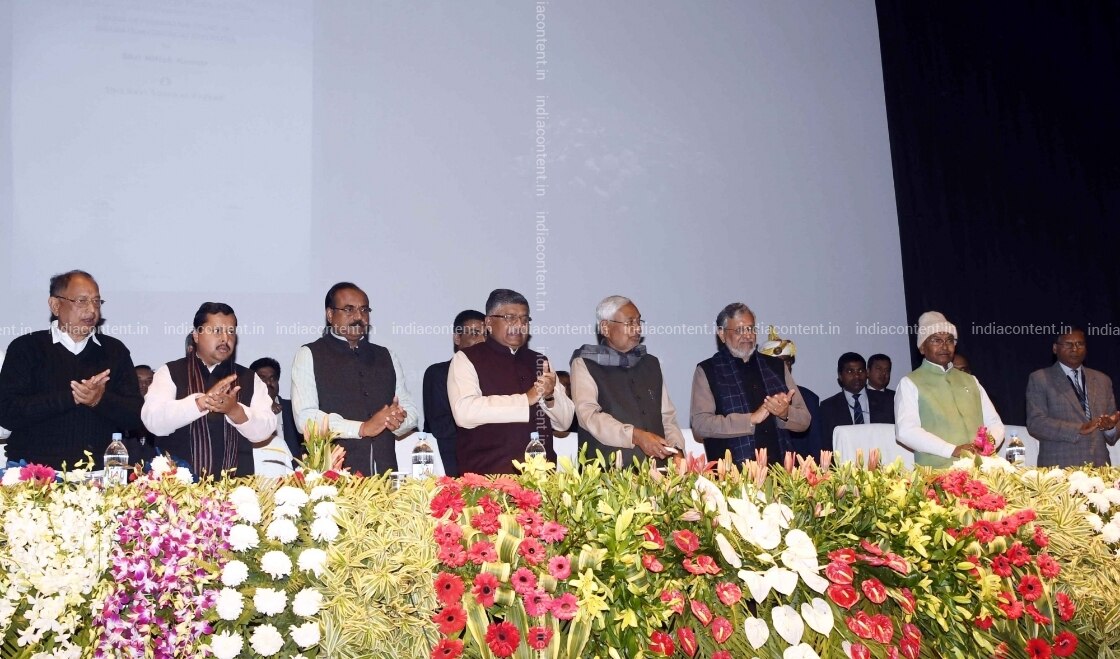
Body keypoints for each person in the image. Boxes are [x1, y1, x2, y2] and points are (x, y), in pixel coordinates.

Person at [0, 270, 143, 468]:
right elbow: (8, 413)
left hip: (99, 475)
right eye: (82, 301)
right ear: (55, 305)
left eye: (96, 302)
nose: (92, 310)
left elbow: (135, 416)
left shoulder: (114, 351)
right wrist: (71, 397)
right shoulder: (26, 348)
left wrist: (99, 400)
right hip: (35, 476)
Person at [291, 282, 417, 475]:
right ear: (330, 315)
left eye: (364, 310)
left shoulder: (386, 356)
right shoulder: (309, 354)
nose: (359, 317)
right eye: (349, 310)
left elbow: (411, 411)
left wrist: (399, 420)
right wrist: (362, 428)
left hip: (385, 474)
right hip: (332, 478)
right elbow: (306, 419)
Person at [142, 303, 275, 478]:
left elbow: (265, 430)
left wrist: (235, 410)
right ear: (196, 336)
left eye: (231, 332)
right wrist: (200, 403)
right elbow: (153, 421)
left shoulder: (249, 378)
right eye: (217, 331)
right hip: (178, 488)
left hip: (236, 489)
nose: (225, 338)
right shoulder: (170, 372)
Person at [448, 288, 574, 474]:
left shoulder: (540, 361)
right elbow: (464, 412)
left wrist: (549, 397)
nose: (519, 325)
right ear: (489, 323)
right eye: (510, 318)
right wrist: (526, 399)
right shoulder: (467, 358)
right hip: (488, 477)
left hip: (542, 479)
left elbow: (565, 423)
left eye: (524, 319)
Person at [569, 295, 685, 468]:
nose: (637, 328)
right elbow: (589, 416)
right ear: (605, 328)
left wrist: (677, 449)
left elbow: (667, 417)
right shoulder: (585, 363)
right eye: (630, 323)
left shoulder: (650, 363)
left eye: (639, 322)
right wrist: (635, 436)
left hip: (659, 471)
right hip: (609, 474)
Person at [690, 303, 810, 465]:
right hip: (733, 473)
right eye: (739, 330)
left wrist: (785, 413)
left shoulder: (775, 366)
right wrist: (750, 420)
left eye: (751, 329)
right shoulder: (707, 370)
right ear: (722, 334)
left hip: (780, 470)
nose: (747, 335)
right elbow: (700, 426)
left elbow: (804, 420)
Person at [895, 311, 1004, 467]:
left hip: (980, 469)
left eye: (949, 340)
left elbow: (994, 423)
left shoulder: (971, 380)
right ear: (922, 348)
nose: (944, 346)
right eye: (936, 340)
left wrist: (986, 445)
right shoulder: (910, 383)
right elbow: (906, 431)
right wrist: (952, 450)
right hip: (937, 473)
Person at [1026, 328, 1118, 467]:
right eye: (1068, 344)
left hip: (1099, 467)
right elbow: (1036, 423)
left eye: (1080, 344)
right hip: (1060, 467)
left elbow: (1112, 427)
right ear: (1055, 348)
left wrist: (1110, 427)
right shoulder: (1040, 378)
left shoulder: (1103, 380)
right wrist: (1079, 428)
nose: (1075, 348)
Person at [422, 309, 486, 477]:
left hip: (489, 460)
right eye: (475, 333)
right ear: (457, 338)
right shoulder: (438, 373)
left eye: (486, 335)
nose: (482, 340)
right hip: (450, 464)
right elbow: (441, 427)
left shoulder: (495, 375)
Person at [757, 328, 824, 462]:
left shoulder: (809, 398)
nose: (783, 366)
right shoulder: (754, 396)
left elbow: (816, 444)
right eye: (776, 362)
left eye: (787, 362)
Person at [818, 352, 895, 453]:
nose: (857, 376)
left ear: (866, 373)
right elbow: (826, 446)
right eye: (850, 371)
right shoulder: (828, 407)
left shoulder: (886, 401)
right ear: (840, 375)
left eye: (860, 370)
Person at [250, 357, 303, 475]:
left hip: (293, 476)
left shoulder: (293, 409)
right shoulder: (244, 412)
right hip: (254, 475)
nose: (268, 383)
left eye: (272, 378)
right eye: (262, 379)